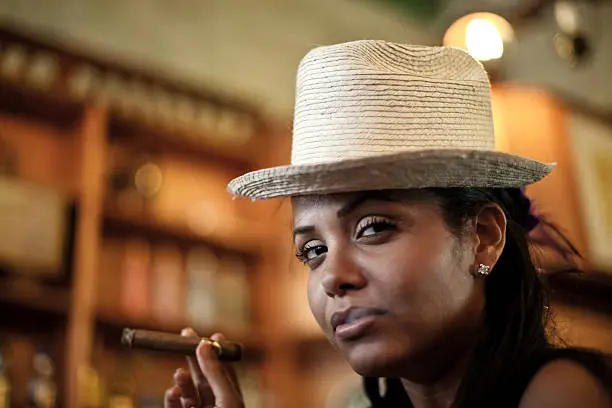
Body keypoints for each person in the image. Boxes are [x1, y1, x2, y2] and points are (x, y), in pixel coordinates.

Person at [164, 40, 612, 408]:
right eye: (312, 251)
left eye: (374, 227)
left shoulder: (561, 392)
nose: (334, 279)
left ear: (483, 238)